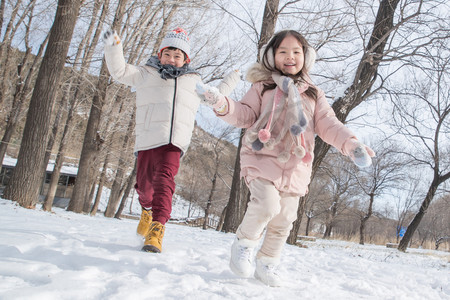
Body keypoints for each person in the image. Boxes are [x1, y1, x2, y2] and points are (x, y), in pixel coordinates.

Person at [196, 29, 375, 286]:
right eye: (282, 52)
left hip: (295, 166)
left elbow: (329, 125)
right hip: (261, 157)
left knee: (284, 220)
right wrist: (221, 103)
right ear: (272, 56)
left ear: (305, 57)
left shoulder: (313, 93)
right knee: (267, 205)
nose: (289, 57)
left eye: (296, 52)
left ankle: (267, 263)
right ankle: (244, 244)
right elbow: (244, 114)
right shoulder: (263, 86)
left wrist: (351, 143)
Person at [103, 27, 239, 253]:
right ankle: (146, 210)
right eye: (168, 54)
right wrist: (113, 45)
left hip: (174, 143)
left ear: (186, 59)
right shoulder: (145, 73)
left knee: (164, 182)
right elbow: (119, 71)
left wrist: (233, 78)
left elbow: (214, 96)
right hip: (148, 139)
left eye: (178, 56)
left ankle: (157, 229)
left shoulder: (193, 81)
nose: (172, 59)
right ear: (160, 55)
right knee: (145, 187)